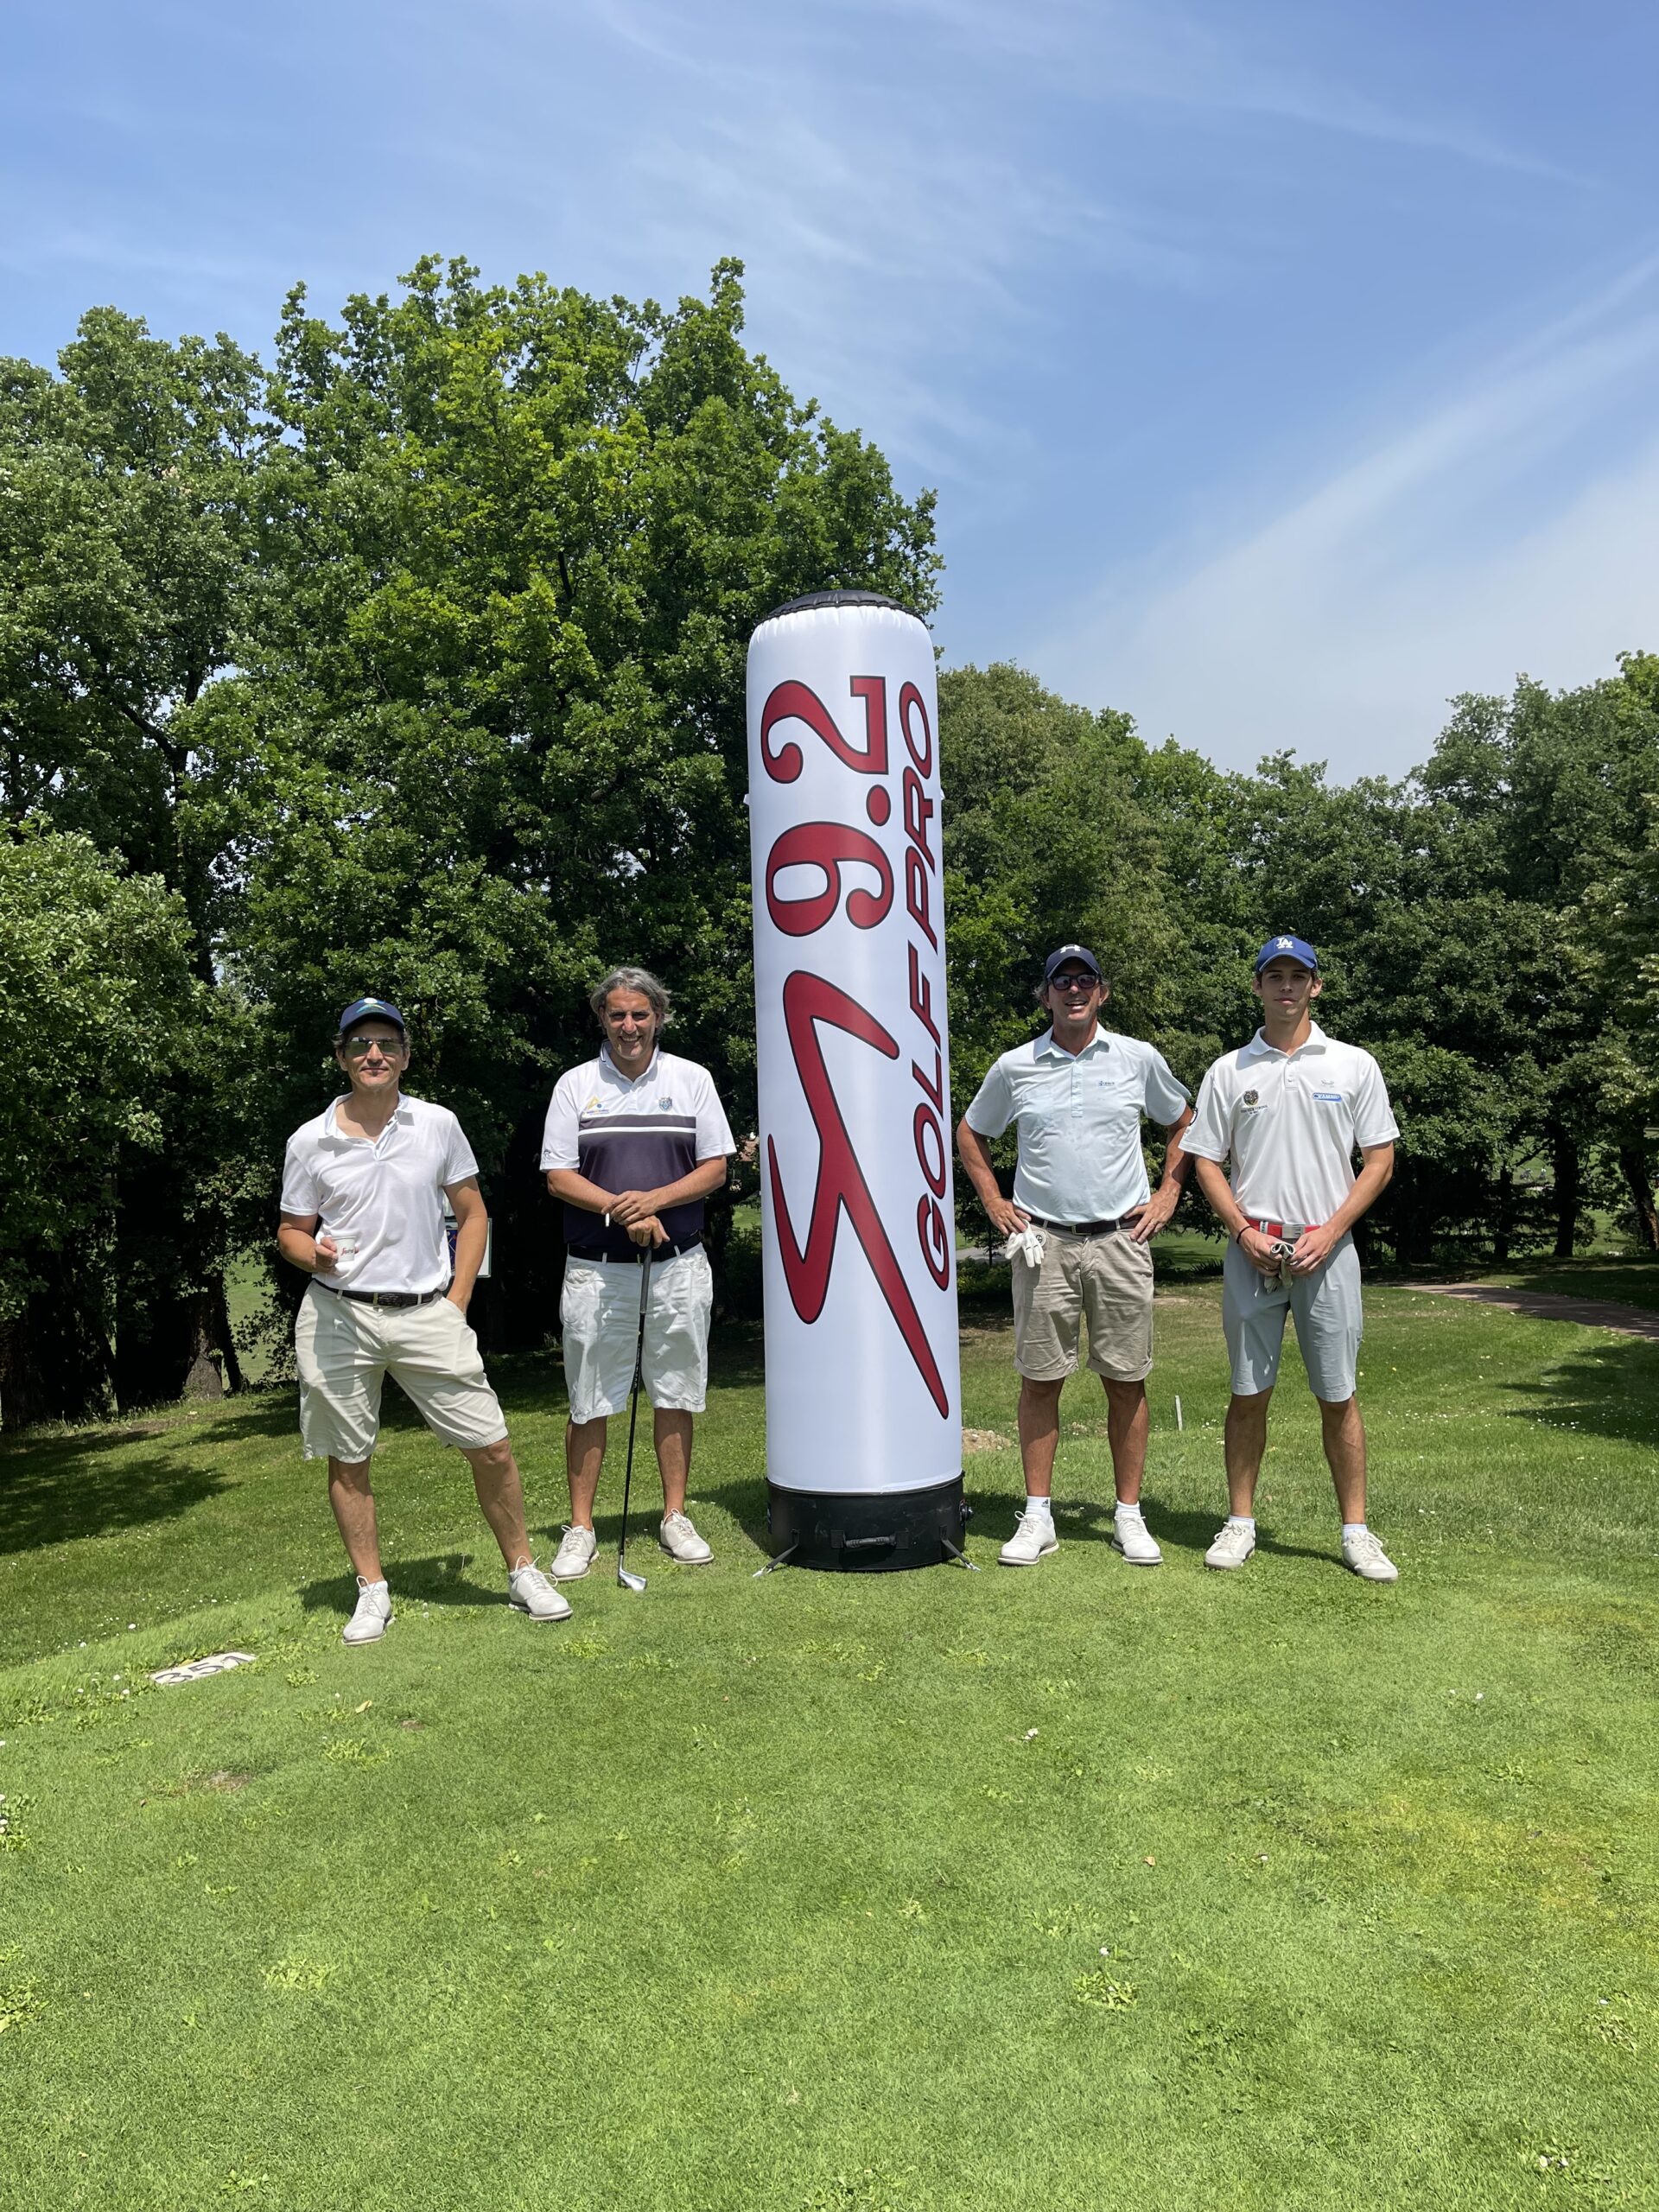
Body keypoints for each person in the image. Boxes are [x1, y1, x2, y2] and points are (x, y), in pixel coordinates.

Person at [277, 996, 569, 1643]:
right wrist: (311, 1254)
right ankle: (371, 1591)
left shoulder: (437, 1124)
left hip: (427, 1311)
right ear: (341, 1058)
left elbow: (472, 1213)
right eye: (360, 1045)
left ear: (405, 1057)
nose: (373, 1055)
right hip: (338, 1316)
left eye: (386, 1044)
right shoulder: (310, 1139)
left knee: (490, 1445)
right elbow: (291, 1231)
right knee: (348, 1457)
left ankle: (523, 1571)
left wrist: (458, 1299)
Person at [956, 945, 1194, 1568]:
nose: (1074, 989)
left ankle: (1128, 1516)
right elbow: (971, 1131)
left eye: (1085, 979)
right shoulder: (1015, 1066)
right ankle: (1037, 1517)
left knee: (1127, 1380)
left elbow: (1184, 1122)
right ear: (1046, 997)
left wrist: (1168, 1194)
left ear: (1102, 992)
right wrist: (993, 1199)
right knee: (1040, 1380)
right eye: (1061, 982)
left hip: (1122, 1239)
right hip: (1045, 1243)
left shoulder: (1137, 1058)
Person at [1183, 936, 1401, 1582]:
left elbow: (1379, 1160)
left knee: (1338, 1394)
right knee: (1248, 1393)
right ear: (1257, 986)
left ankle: (1356, 1532)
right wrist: (1242, 1231)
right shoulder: (1229, 1070)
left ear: (1315, 986)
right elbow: (1205, 1160)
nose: (1286, 986)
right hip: (1253, 1251)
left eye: (1297, 976)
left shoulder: (1353, 1064)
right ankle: (1240, 1522)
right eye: (1273, 976)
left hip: (1326, 1250)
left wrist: (1331, 1232)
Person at [542, 967, 735, 1577]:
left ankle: (675, 1516)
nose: (629, 1026)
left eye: (640, 1014)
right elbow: (558, 1177)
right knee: (589, 1397)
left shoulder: (691, 1079)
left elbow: (715, 1168)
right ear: (603, 1018)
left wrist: (652, 1201)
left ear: (658, 1018)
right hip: (596, 1270)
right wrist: (623, 1210)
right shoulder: (575, 1085)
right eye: (618, 1014)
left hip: (678, 1265)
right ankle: (580, 1528)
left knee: (675, 1391)